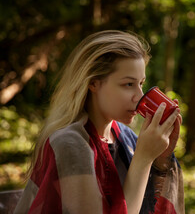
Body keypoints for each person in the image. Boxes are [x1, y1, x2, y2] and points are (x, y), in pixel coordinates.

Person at [14, 30, 184, 214]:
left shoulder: (125, 137)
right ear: (93, 83)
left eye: (141, 83)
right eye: (128, 84)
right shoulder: (69, 144)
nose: (139, 96)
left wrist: (161, 157)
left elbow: (154, 206)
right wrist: (143, 159)